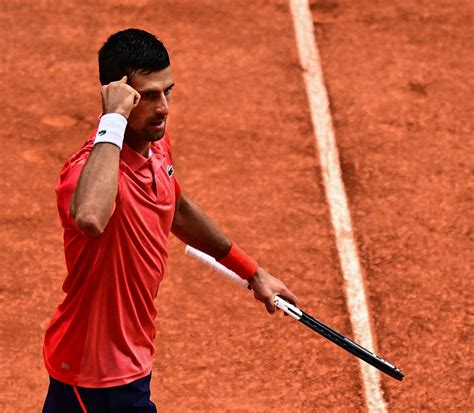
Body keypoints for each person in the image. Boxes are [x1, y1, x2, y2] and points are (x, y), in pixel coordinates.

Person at [42, 28, 298, 413]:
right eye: (148, 96)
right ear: (120, 96)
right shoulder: (86, 172)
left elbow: (176, 208)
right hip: (94, 371)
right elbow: (92, 217)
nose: (163, 107)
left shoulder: (156, 146)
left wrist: (252, 271)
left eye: (168, 91)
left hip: (130, 357)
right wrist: (112, 118)